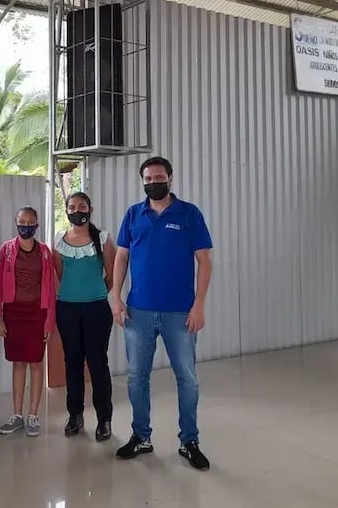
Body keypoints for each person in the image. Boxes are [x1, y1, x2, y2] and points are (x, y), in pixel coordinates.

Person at [111, 156, 214, 471]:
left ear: (170, 178)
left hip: (179, 312)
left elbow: (205, 261)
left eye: (159, 177)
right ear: (142, 181)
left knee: (188, 378)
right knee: (137, 377)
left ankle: (189, 441)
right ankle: (141, 436)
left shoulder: (189, 214)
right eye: (148, 178)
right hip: (138, 311)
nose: (153, 182)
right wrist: (115, 295)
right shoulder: (133, 215)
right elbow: (121, 258)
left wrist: (199, 304)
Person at [54, 192, 116, 442]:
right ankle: (75, 415)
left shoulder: (103, 239)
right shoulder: (59, 240)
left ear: (90, 209)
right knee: (72, 363)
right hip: (67, 309)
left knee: (98, 364)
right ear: (66, 210)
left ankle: (104, 419)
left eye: (81, 206)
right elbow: (59, 274)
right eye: (71, 207)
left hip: (96, 310)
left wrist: (94, 294)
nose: (76, 210)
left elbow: (112, 275)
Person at [0, 206, 57, 437]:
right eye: (22, 222)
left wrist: (49, 321)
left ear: (37, 225)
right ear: (16, 222)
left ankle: (33, 415)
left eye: (31, 222)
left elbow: (49, 288)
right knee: (18, 363)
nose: (26, 226)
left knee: (36, 363)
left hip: (36, 314)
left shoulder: (45, 252)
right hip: (13, 313)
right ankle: (17, 415)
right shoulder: (6, 249)